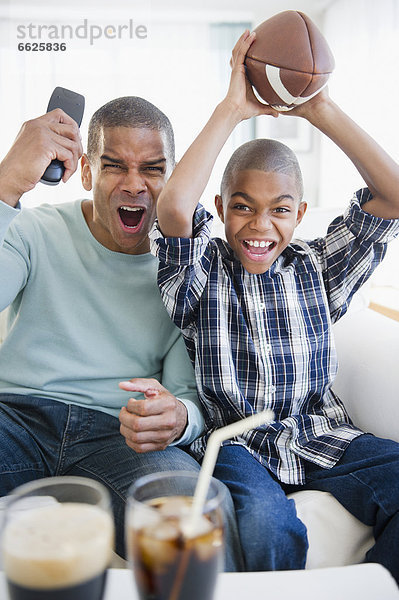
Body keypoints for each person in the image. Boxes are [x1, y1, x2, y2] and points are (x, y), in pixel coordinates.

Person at [150, 30, 399, 580]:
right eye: (242, 207)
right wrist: (232, 109)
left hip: (323, 435)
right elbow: (173, 208)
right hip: (240, 445)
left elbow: (393, 196)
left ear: (301, 212)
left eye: (279, 210)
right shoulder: (202, 274)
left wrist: (321, 110)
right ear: (220, 207)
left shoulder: (318, 269)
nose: (260, 226)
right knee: (267, 526)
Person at [0, 95, 243, 569]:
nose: (134, 186)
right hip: (16, 420)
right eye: (115, 167)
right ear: (87, 172)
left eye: (152, 169)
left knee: (190, 524)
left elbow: (186, 396)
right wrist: (6, 182)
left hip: (120, 435)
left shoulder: (184, 268)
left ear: (173, 177)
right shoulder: (33, 231)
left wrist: (178, 418)